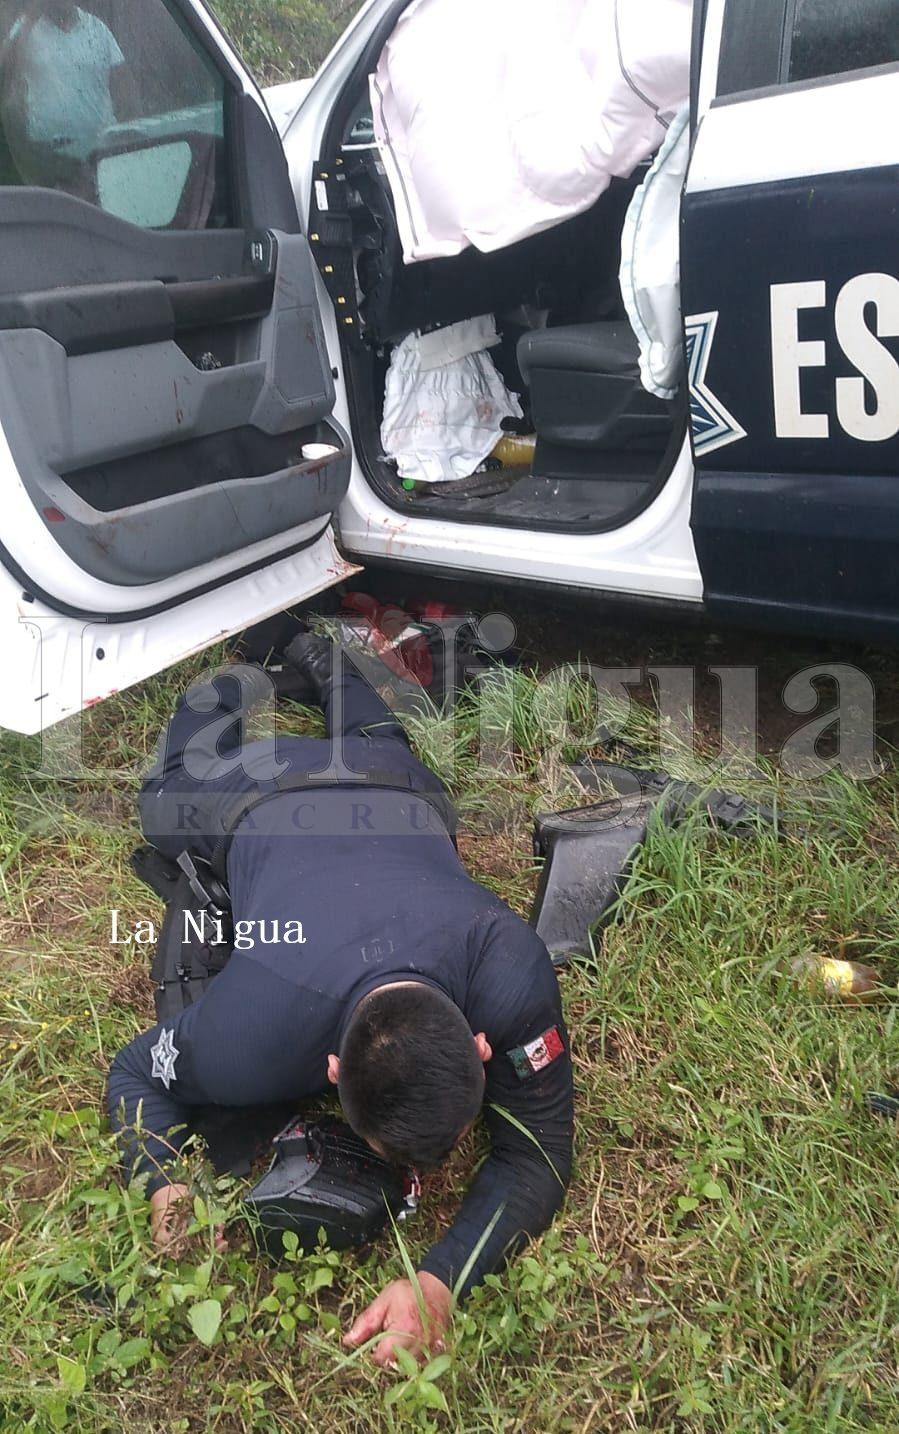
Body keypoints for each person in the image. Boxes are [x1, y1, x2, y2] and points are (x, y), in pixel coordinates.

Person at [107, 635, 573, 1367]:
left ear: (482, 1046)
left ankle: (318, 663)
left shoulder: (506, 965)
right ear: (328, 1071)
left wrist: (441, 1278)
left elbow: (541, 1155)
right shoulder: (253, 1032)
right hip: (268, 791)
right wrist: (157, 1182)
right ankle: (238, 677)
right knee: (163, 794)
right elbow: (133, 1072)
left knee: (378, 745)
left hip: (398, 783)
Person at [0, 2, 124, 191]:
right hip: (48, 156)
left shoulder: (96, 29)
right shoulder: (27, 28)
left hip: (100, 149)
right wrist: (29, 19)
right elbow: (4, 70)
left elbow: (123, 87)